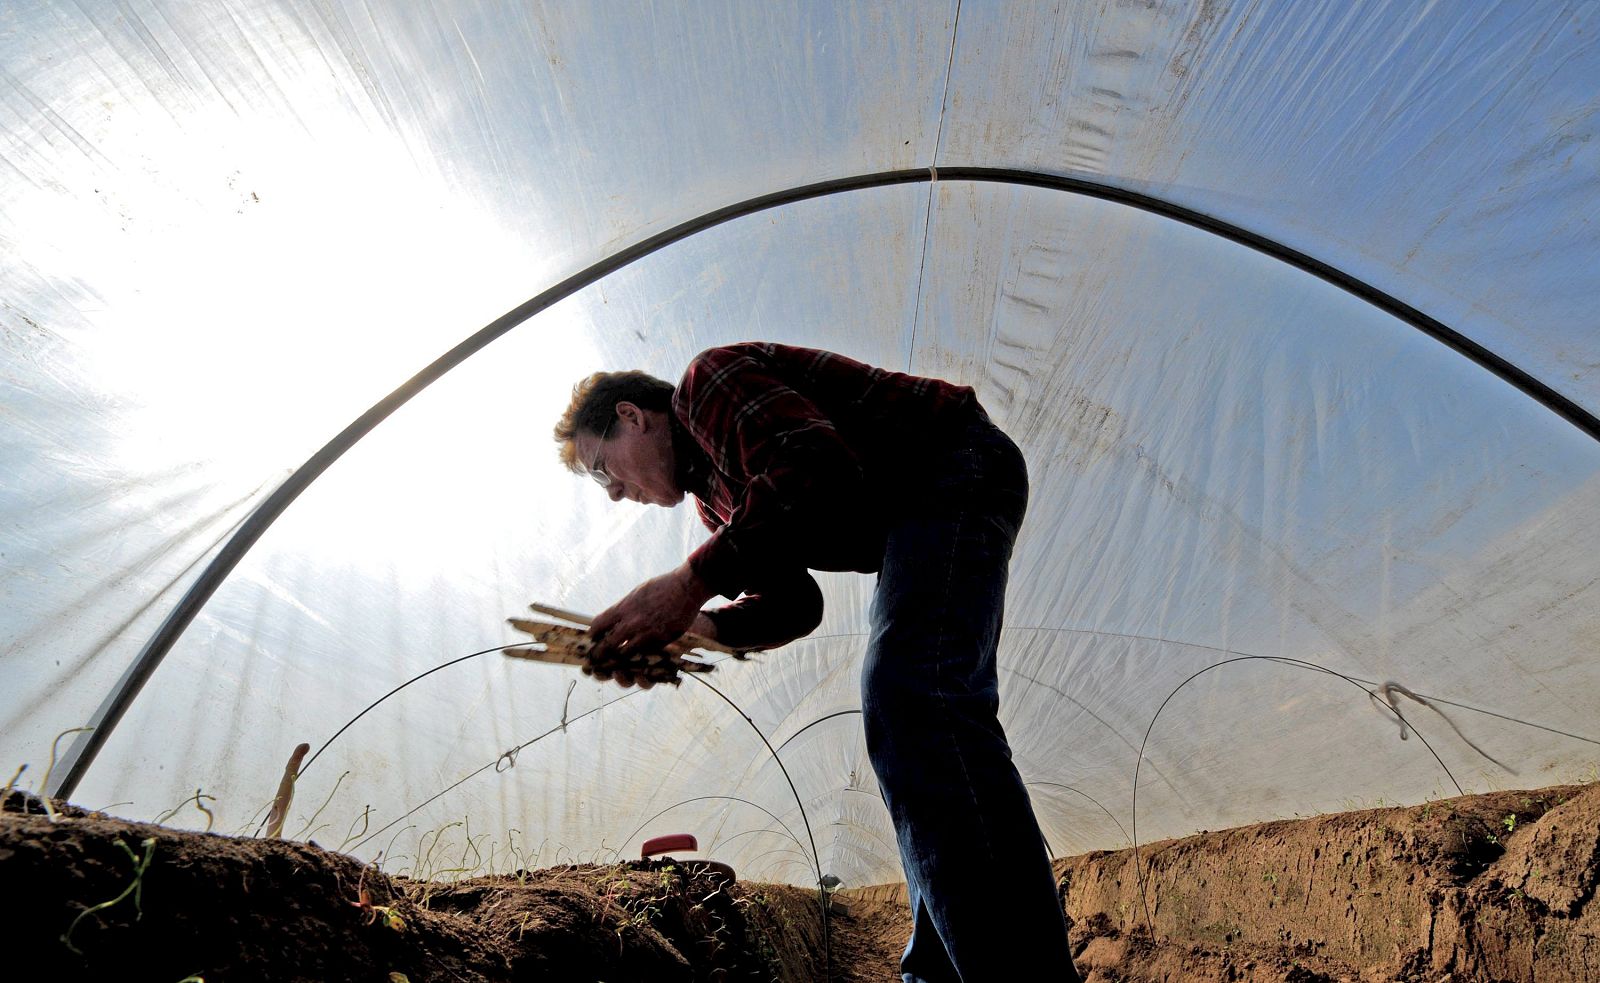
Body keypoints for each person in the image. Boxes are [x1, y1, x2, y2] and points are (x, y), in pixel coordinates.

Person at [554, 341, 1081, 982]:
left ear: (633, 417)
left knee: (913, 697)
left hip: (950, 463)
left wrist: (691, 581)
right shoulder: (715, 497)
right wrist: (700, 626)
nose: (611, 494)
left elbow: (815, 461)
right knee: (915, 716)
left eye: (602, 467)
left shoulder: (706, 385)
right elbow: (797, 604)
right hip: (912, 517)